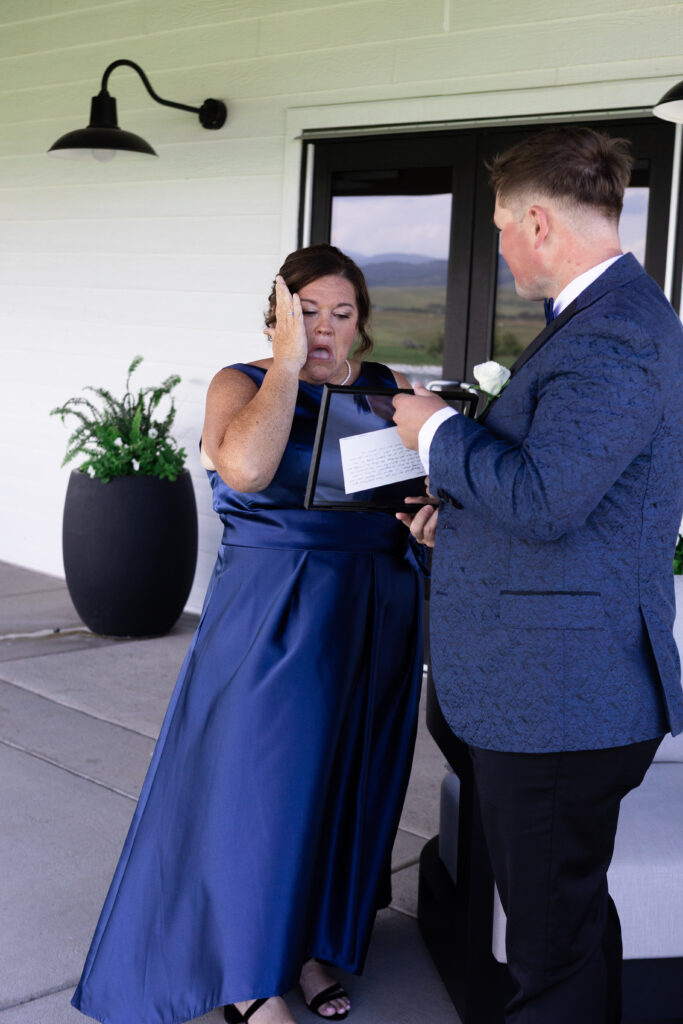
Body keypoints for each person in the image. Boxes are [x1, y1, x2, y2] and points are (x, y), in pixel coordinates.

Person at [72, 244, 424, 1024]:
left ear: (361, 322)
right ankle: (245, 975)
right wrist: (288, 368)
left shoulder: (389, 388)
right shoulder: (239, 382)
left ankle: (304, 947)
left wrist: (429, 508)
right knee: (260, 788)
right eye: (307, 313)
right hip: (276, 613)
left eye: (341, 313)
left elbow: (410, 491)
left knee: (340, 786)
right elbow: (248, 471)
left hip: (374, 609)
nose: (325, 328)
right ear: (275, 319)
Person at [392, 126, 683, 1023]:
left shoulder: (616, 334)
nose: (500, 248)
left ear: (538, 222)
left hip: (562, 699)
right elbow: (571, 499)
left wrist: (436, 431)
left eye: (498, 229)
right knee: (568, 923)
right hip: (553, 692)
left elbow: (547, 497)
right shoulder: (602, 320)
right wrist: (459, 522)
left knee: (549, 960)